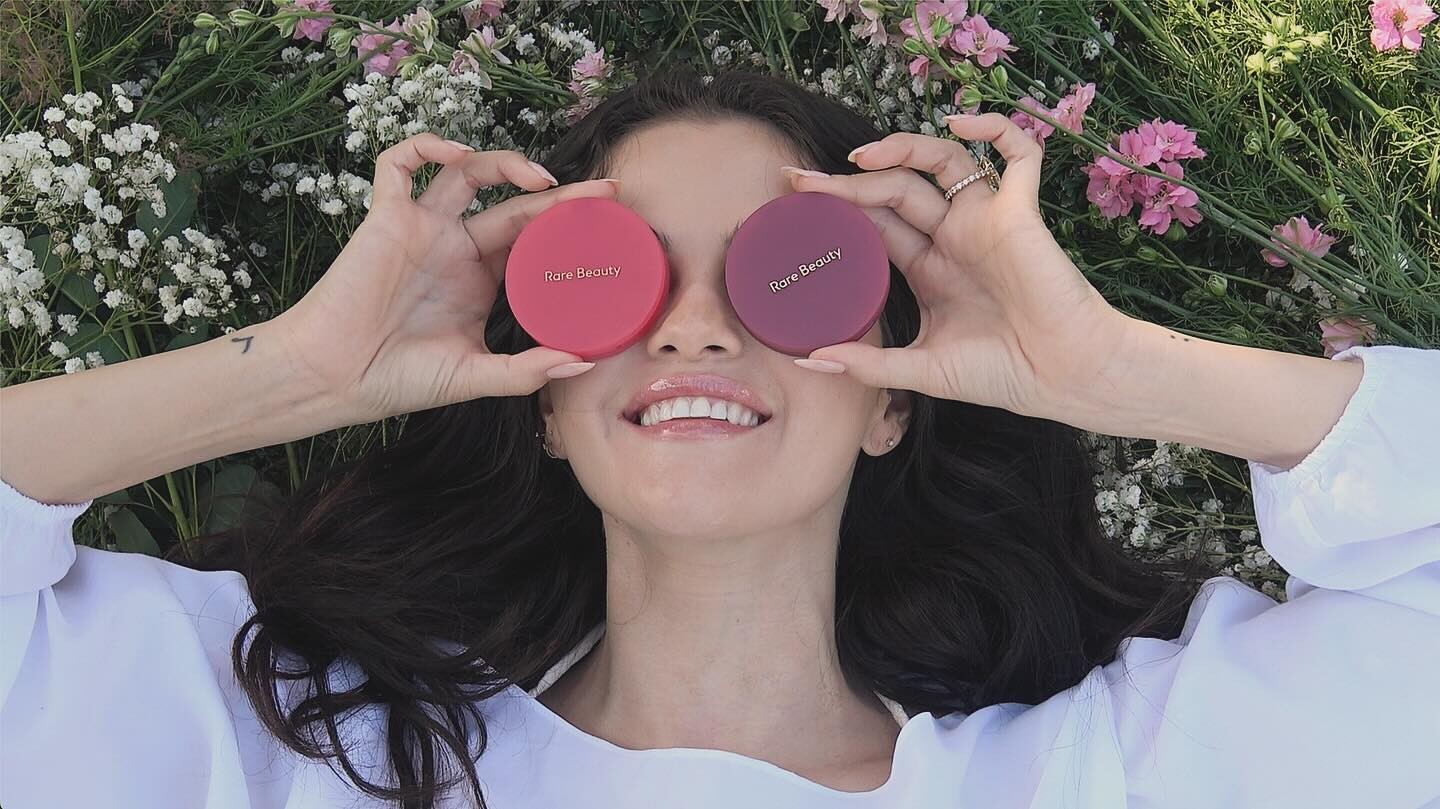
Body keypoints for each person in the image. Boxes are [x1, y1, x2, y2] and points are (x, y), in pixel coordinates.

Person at [1, 67, 1437, 809]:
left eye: (784, 276)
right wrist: (309, 371)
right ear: (543, 396)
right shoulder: (301, 754)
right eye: (618, 280)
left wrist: (1104, 366)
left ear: (893, 394)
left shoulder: (1098, 777)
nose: (692, 329)